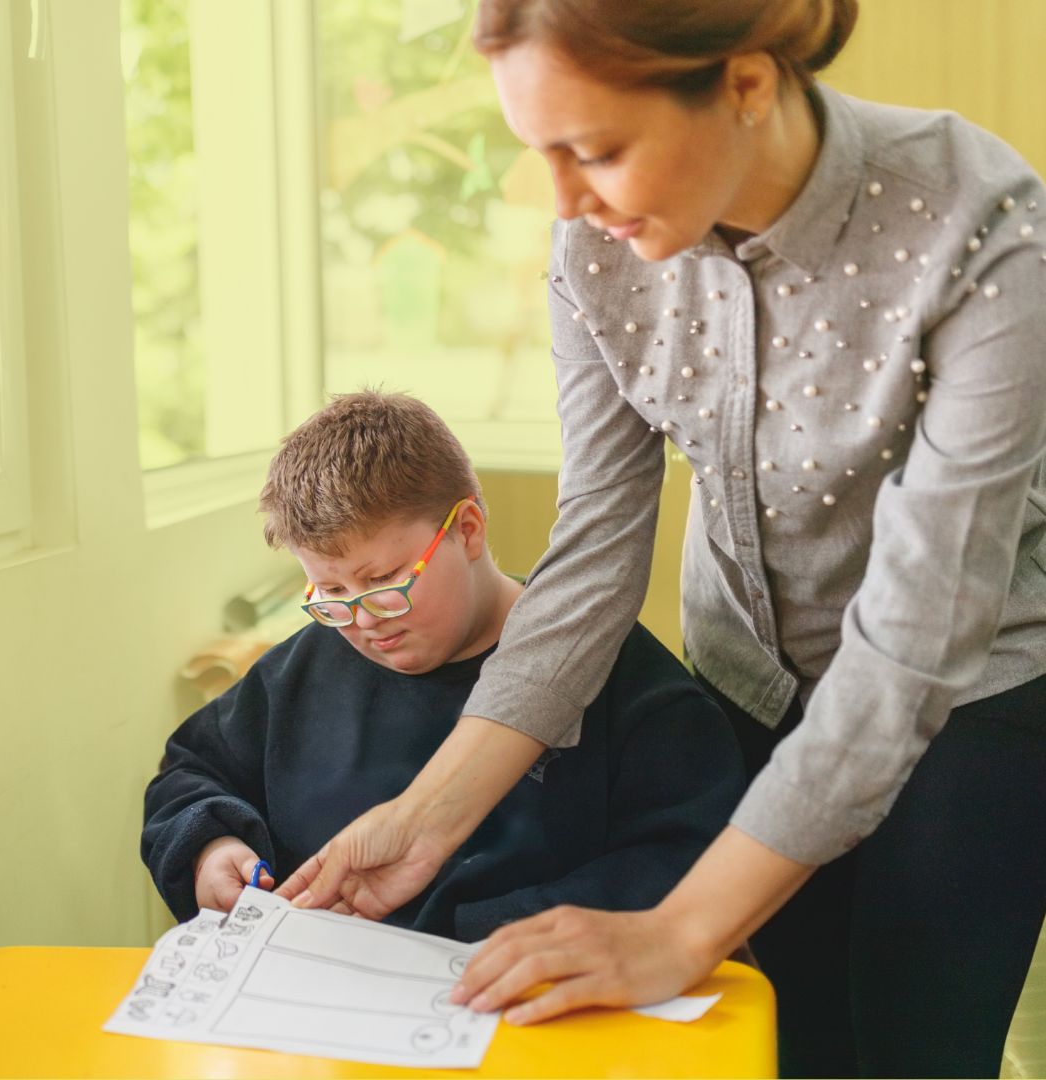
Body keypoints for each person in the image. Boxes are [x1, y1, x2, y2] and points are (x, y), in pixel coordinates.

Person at [275, 2, 1046, 1077]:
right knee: (788, 1037)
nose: (564, 203)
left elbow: (915, 641)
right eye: (542, 152)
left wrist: (680, 929)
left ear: (743, 84)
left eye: (595, 150)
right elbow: (594, 547)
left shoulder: (980, 226)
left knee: (919, 1047)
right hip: (752, 678)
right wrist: (423, 819)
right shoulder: (594, 245)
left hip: (970, 698)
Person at [142, 391, 744, 942]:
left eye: (384, 579)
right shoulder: (297, 675)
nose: (364, 619)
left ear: (468, 529)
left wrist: (471, 932)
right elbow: (191, 771)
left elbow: (691, 856)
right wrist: (209, 848)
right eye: (329, 592)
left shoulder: (623, 679)